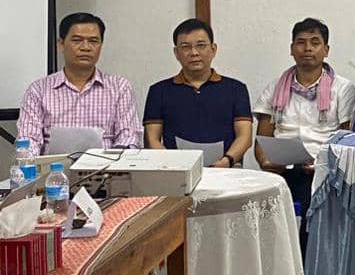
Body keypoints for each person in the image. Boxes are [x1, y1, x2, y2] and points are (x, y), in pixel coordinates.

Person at [253, 17, 355, 254]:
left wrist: (324, 164)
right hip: (281, 170)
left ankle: (309, 268)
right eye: (301, 42)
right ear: (292, 49)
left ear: (326, 50)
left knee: (309, 213)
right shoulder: (274, 87)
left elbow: (348, 139)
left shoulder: (343, 88)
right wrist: (265, 161)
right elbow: (262, 139)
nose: (307, 48)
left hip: (324, 172)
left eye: (315, 42)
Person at [17, 12, 141, 154]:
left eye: (93, 41)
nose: (85, 47)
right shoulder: (38, 90)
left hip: (106, 166)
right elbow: (28, 139)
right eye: (77, 40)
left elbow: (128, 137)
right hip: (54, 166)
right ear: (61, 44)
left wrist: (114, 163)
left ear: (101, 45)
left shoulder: (120, 88)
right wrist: (31, 161)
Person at [144, 18, 253, 168]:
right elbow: (152, 139)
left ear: (213, 49)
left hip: (227, 170)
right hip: (174, 171)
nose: (194, 53)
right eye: (186, 47)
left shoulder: (236, 89)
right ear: (176, 53)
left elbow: (245, 137)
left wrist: (227, 161)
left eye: (201, 45)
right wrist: (173, 165)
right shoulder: (158, 91)